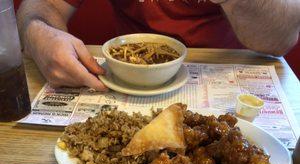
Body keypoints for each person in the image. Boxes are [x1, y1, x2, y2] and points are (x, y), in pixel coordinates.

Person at [17, 0, 300, 91]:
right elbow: (40, 8)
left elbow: (280, 40)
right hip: (128, 83)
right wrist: (40, 34)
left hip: (226, 82)